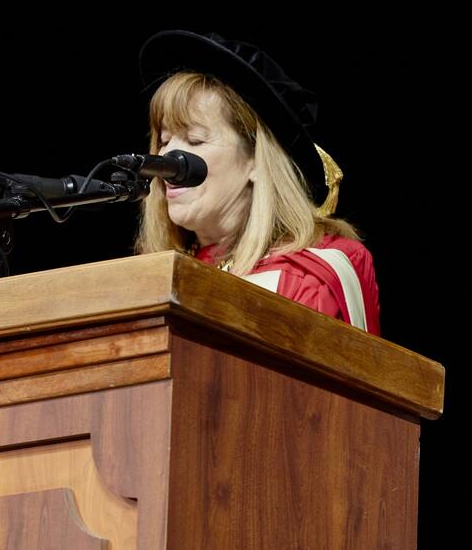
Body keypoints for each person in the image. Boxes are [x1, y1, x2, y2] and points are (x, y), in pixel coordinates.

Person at [134, 30, 380, 335]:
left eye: (195, 140)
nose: (167, 156)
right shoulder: (147, 278)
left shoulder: (309, 276)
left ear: (255, 159)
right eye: (164, 140)